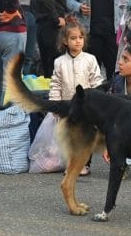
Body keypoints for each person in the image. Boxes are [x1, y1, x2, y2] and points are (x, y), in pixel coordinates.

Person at [49, 20, 103, 176]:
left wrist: (97, 102)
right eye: (73, 38)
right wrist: (54, 105)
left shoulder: (90, 59)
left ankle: (85, 164)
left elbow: (97, 81)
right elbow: (55, 84)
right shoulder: (59, 62)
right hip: (67, 106)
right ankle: (72, 165)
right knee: (70, 138)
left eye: (80, 37)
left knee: (86, 136)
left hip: (87, 106)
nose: (78, 41)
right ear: (65, 41)